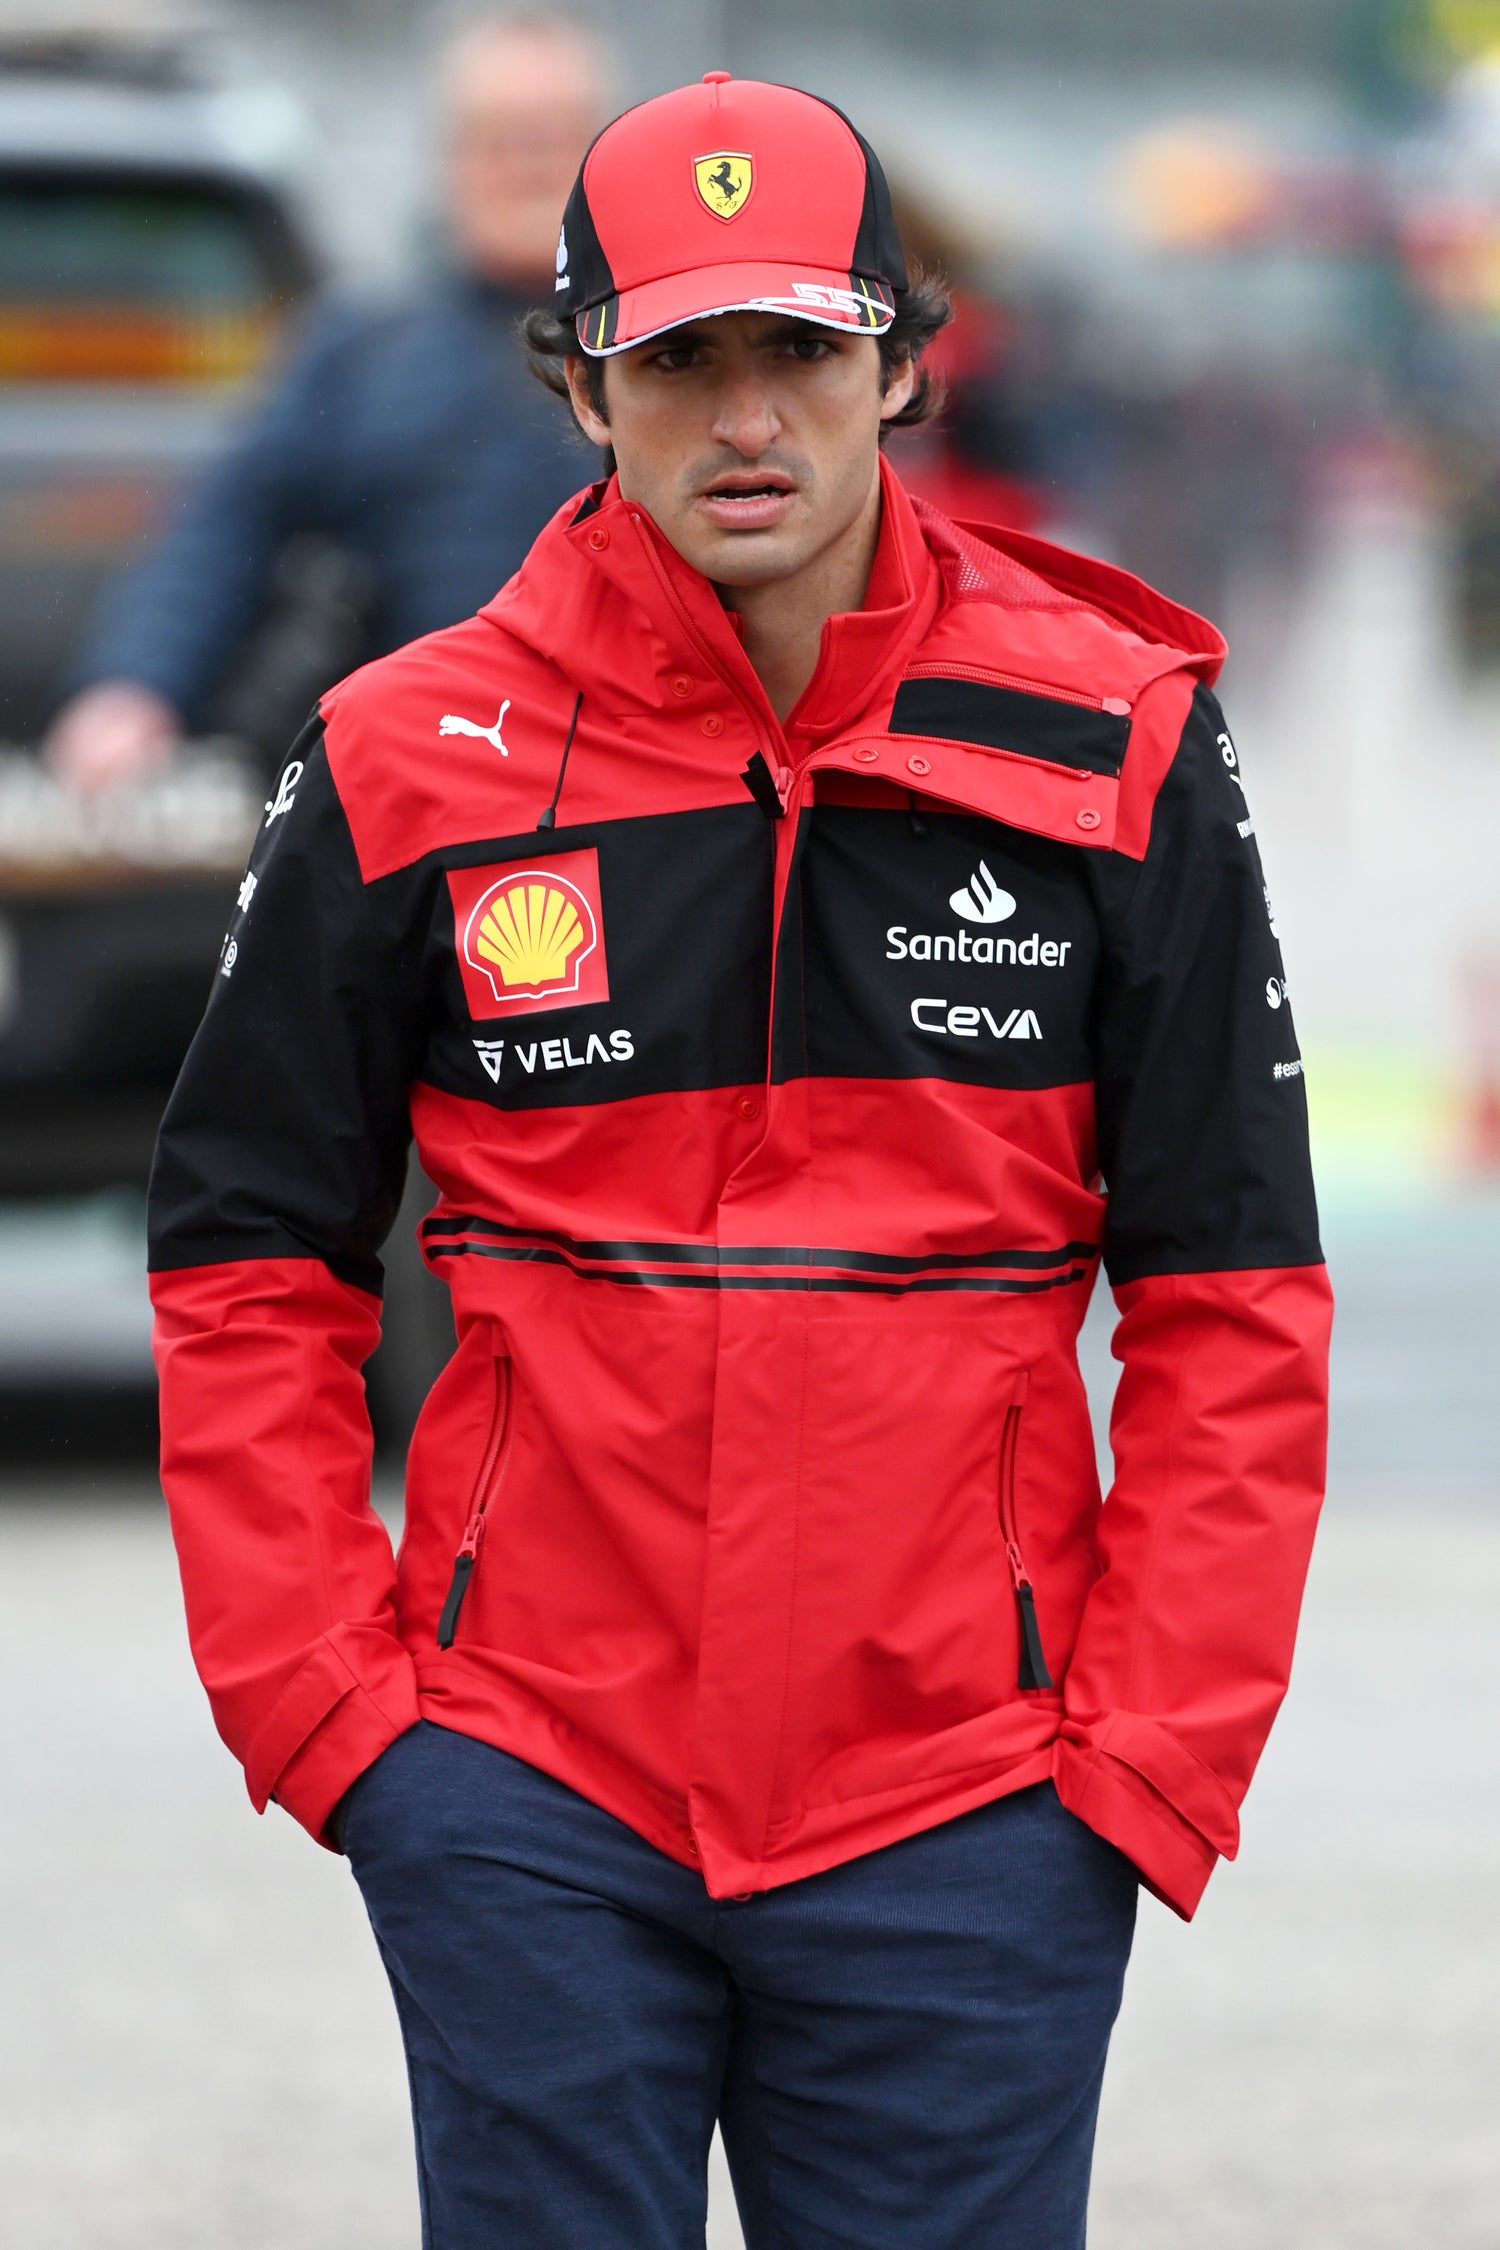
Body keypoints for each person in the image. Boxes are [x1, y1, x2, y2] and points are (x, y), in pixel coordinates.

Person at [147, 72, 1332, 2250]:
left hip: (972, 1815)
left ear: (904, 356)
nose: (747, 414)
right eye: (681, 357)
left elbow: (1233, 1291)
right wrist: (334, 1714)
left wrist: (1145, 1761)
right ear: (582, 386)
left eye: (798, 345)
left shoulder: (1116, 737)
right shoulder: (406, 758)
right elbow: (246, 1256)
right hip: (521, 1795)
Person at [45, 11, 606, 791]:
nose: (525, 165)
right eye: (499, 137)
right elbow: (228, 522)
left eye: (550, 136)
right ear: (448, 158)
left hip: (629, 768)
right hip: (424, 776)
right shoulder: (362, 353)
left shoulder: (658, 352)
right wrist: (135, 690)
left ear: (599, 154)